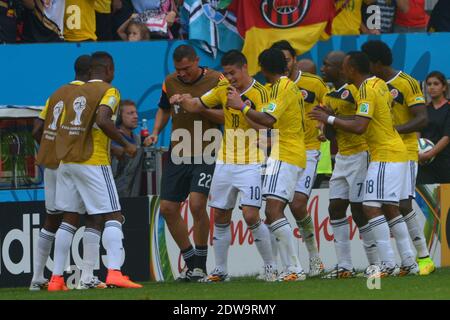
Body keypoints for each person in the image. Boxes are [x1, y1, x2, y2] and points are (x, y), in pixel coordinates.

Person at [310, 51, 418, 277]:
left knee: (370, 207)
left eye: (344, 67)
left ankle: (388, 264)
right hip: (388, 152)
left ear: (351, 69)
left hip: (385, 153)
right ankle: (407, 261)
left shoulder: (366, 90)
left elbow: (360, 126)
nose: (342, 70)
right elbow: (366, 119)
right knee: (385, 207)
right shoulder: (378, 84)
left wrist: (328, 118)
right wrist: (332, 117)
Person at [173, 50, 276, 282]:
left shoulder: (262, 93)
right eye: (226, 73)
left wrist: (242, 107)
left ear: (244, 68)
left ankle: (270, 266)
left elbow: (268, 127)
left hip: (251, 162)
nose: (229, 78)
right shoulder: (222, 89)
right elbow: (197, 104)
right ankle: (220, 270)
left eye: (232, 73)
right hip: (224, 161)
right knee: (220, 213)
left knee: (250, 215)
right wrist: (181, 99)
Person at [49, 51, 141, 291]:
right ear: (109, 70)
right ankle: (114, 272)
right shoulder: (109, 91)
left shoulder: (73, 92)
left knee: (69, 218)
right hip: (93, 161)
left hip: (67, 162)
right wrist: (126, 143)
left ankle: (57, 279)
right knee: (113, 214)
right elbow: (103, 119)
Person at [227, 48, 307, 281]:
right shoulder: (279, 88)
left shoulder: (282, 87)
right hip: (285, 153)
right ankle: (288, 267)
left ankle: (294, 269)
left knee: (273, 210)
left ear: (264, 67)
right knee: (273, 212)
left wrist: (240, 106)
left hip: (287, 154)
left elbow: (268, 120)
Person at [146, 45, 223, 281]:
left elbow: (226, 116)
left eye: (186, 69)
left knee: (197, 205)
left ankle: (201, 264)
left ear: (197, 61)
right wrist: (156, 131)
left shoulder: (216, 80)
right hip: (178, 152)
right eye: (178, 69)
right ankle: (191, 263)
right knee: (168, 209)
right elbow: (163, 108)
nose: (182, 74)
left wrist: (197, 105)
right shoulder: (170, 81)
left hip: (207, 149)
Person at [361, 40, 435, 275]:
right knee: (390, 206)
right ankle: (410, 262)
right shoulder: (371, 85)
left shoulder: (407, 83)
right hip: (381, 152)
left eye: (367, 62)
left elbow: (422, 118)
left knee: (402, 204)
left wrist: (394, 131)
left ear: (377, 63)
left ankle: (423, 258)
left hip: (405, 150)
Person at [29, 55, 90, 291]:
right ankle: (56, 279)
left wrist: (52, 149)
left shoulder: (55, 94)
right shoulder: (84, 97)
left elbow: (37, 129)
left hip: (51, 164)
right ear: (90, 73)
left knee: (52, 218)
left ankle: (36, 279)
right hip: (69, 164)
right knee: (71, 216)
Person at [319, 51, 379, 278]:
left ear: (341, 68)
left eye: (326, 64)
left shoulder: (356, 91)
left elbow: (362, 122)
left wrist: (332, 118)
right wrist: (328, 120)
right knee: (335, 207)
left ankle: (375, 265)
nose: (323, 68)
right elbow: (334, 133)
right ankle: (345, 266)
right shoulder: (330, 95)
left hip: (361, 154)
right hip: (342, 157)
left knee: (358, 210)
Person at [271, 40, 327, 276]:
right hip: (282, 149)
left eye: (287, 58)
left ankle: (314, 257)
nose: (284, 63)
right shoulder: (273, 85)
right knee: (275, 206)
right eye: (280, 60)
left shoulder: (314, 82)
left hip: (309, 148)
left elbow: (327, 107)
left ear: (294, 58)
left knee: (297, 204)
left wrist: (322, 125)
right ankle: (280, 265)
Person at [417, 71, 450, 184]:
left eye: (436, 84)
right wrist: (418, 151)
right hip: (424, 163)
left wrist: (429, 154)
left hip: (444, 163)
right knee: (424, 199)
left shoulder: (448, 108)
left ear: (444, 87)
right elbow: (418, 130)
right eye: (429, 84)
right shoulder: (424, 109)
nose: (432, 87)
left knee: (445, 200)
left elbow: (447, 137)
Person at [111, 100, 145, 197]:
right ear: (119, 117)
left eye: (136, 113)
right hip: (114, 198)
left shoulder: (139, 140)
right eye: (130, 113)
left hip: (133, 198)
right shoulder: (111, 140)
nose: (136, 116)